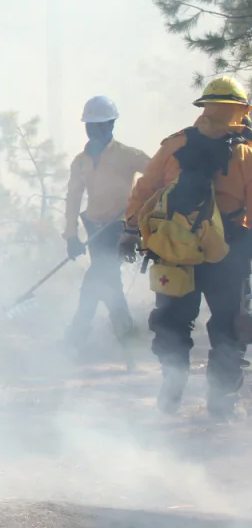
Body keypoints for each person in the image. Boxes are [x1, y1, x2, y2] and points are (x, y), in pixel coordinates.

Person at [124, 76, 252, 421]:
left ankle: (172, 382)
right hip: (228, 251)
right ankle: (221, 403)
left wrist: (131, 228)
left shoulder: (175, 144)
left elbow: (145, 188)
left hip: (174, 248)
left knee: (172, 320)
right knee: (228, 325)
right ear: (242, 109)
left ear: (204, 109)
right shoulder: (246, 151)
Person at [62, 95, 151, 349]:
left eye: (100, 125)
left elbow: (159, 176)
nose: (94, 131)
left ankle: (76, 337)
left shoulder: (128, 155)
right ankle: (128, 339)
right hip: (93, 227)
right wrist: (70, 236)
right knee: (107, 280)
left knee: (99, 277)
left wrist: (139, 206)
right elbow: (72, 199)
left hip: (119, 229)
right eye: (90, 125)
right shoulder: (80, 162)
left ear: (111, 125)